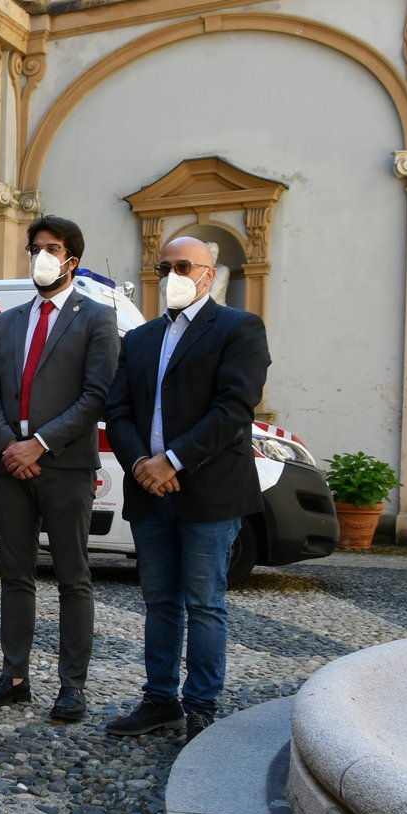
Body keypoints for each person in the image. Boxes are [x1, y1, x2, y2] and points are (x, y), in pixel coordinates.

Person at [104, 236, 270, 744]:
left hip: (208, 491)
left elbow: (234, 408)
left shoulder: (239, 328)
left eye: (184, 266)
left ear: (209, 272)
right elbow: (118, 411)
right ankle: (159, 700)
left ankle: (200, 706)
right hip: (150, 491)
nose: (173, 274)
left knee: (204, 603)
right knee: (158, 601)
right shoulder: (139, 338)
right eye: (165, 266)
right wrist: (141, 464)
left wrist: (172, 460)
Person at [0, 216, 119, 723]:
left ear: (72, 260)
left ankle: (71, 686)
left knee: (73, 577)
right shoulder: (9, 319)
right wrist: (11, 445)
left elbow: (95, 395)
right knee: (15, 576)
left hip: (66, 466)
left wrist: (39, 444)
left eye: (51, 248)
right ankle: (14, 677)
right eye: (35, 247)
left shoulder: (96, 317)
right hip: (10, 466)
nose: (41, 255)